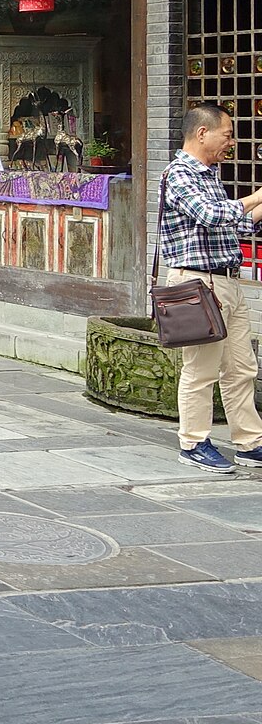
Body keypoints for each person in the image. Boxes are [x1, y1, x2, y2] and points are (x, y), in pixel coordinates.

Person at [159, 102, 262, 473]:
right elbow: (212, 215)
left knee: (241, 367)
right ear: (203, 133)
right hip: (197, 284)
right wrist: (256, 197)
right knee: (201, 369)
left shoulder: (209, 174)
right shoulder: (179, 174)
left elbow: (234, 226)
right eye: (228, 134)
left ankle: (249, 443)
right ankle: (193, 442)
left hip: (227, 281)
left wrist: (256, 207)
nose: (230, 142)